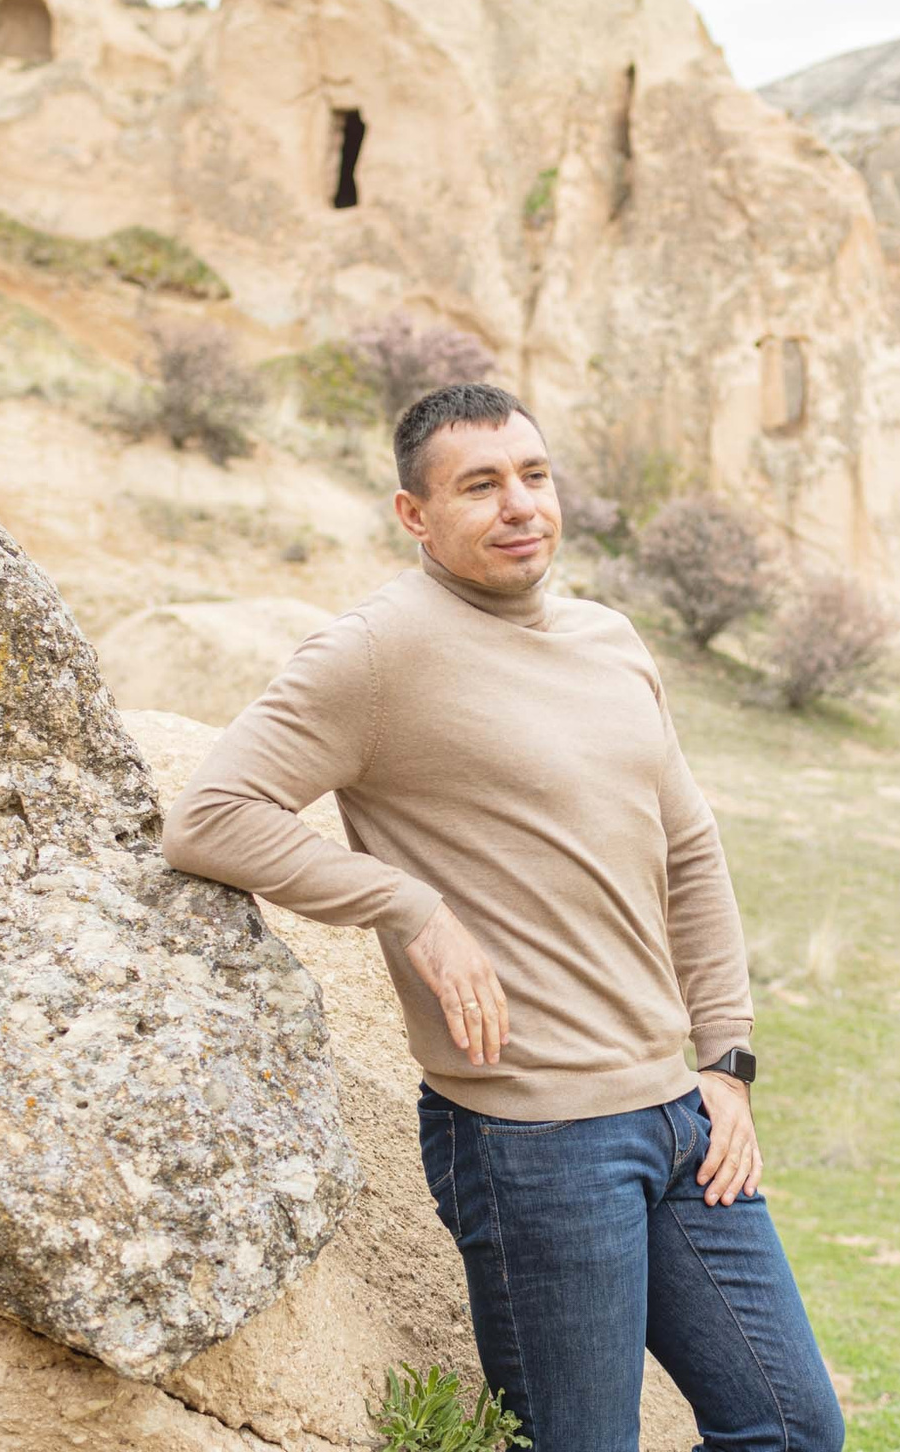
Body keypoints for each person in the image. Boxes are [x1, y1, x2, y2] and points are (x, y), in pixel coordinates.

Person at [160, 381, 844, 1452]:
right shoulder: (376, 653)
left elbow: (692, 852)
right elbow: (210, 816)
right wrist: (406, 902)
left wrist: (728, 1061)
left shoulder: (611, 639)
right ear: (414, 516)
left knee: (792, 1428)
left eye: (533, 474)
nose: (520, 503)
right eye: (480, 485)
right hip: (534, 1144)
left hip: (677, 1120)